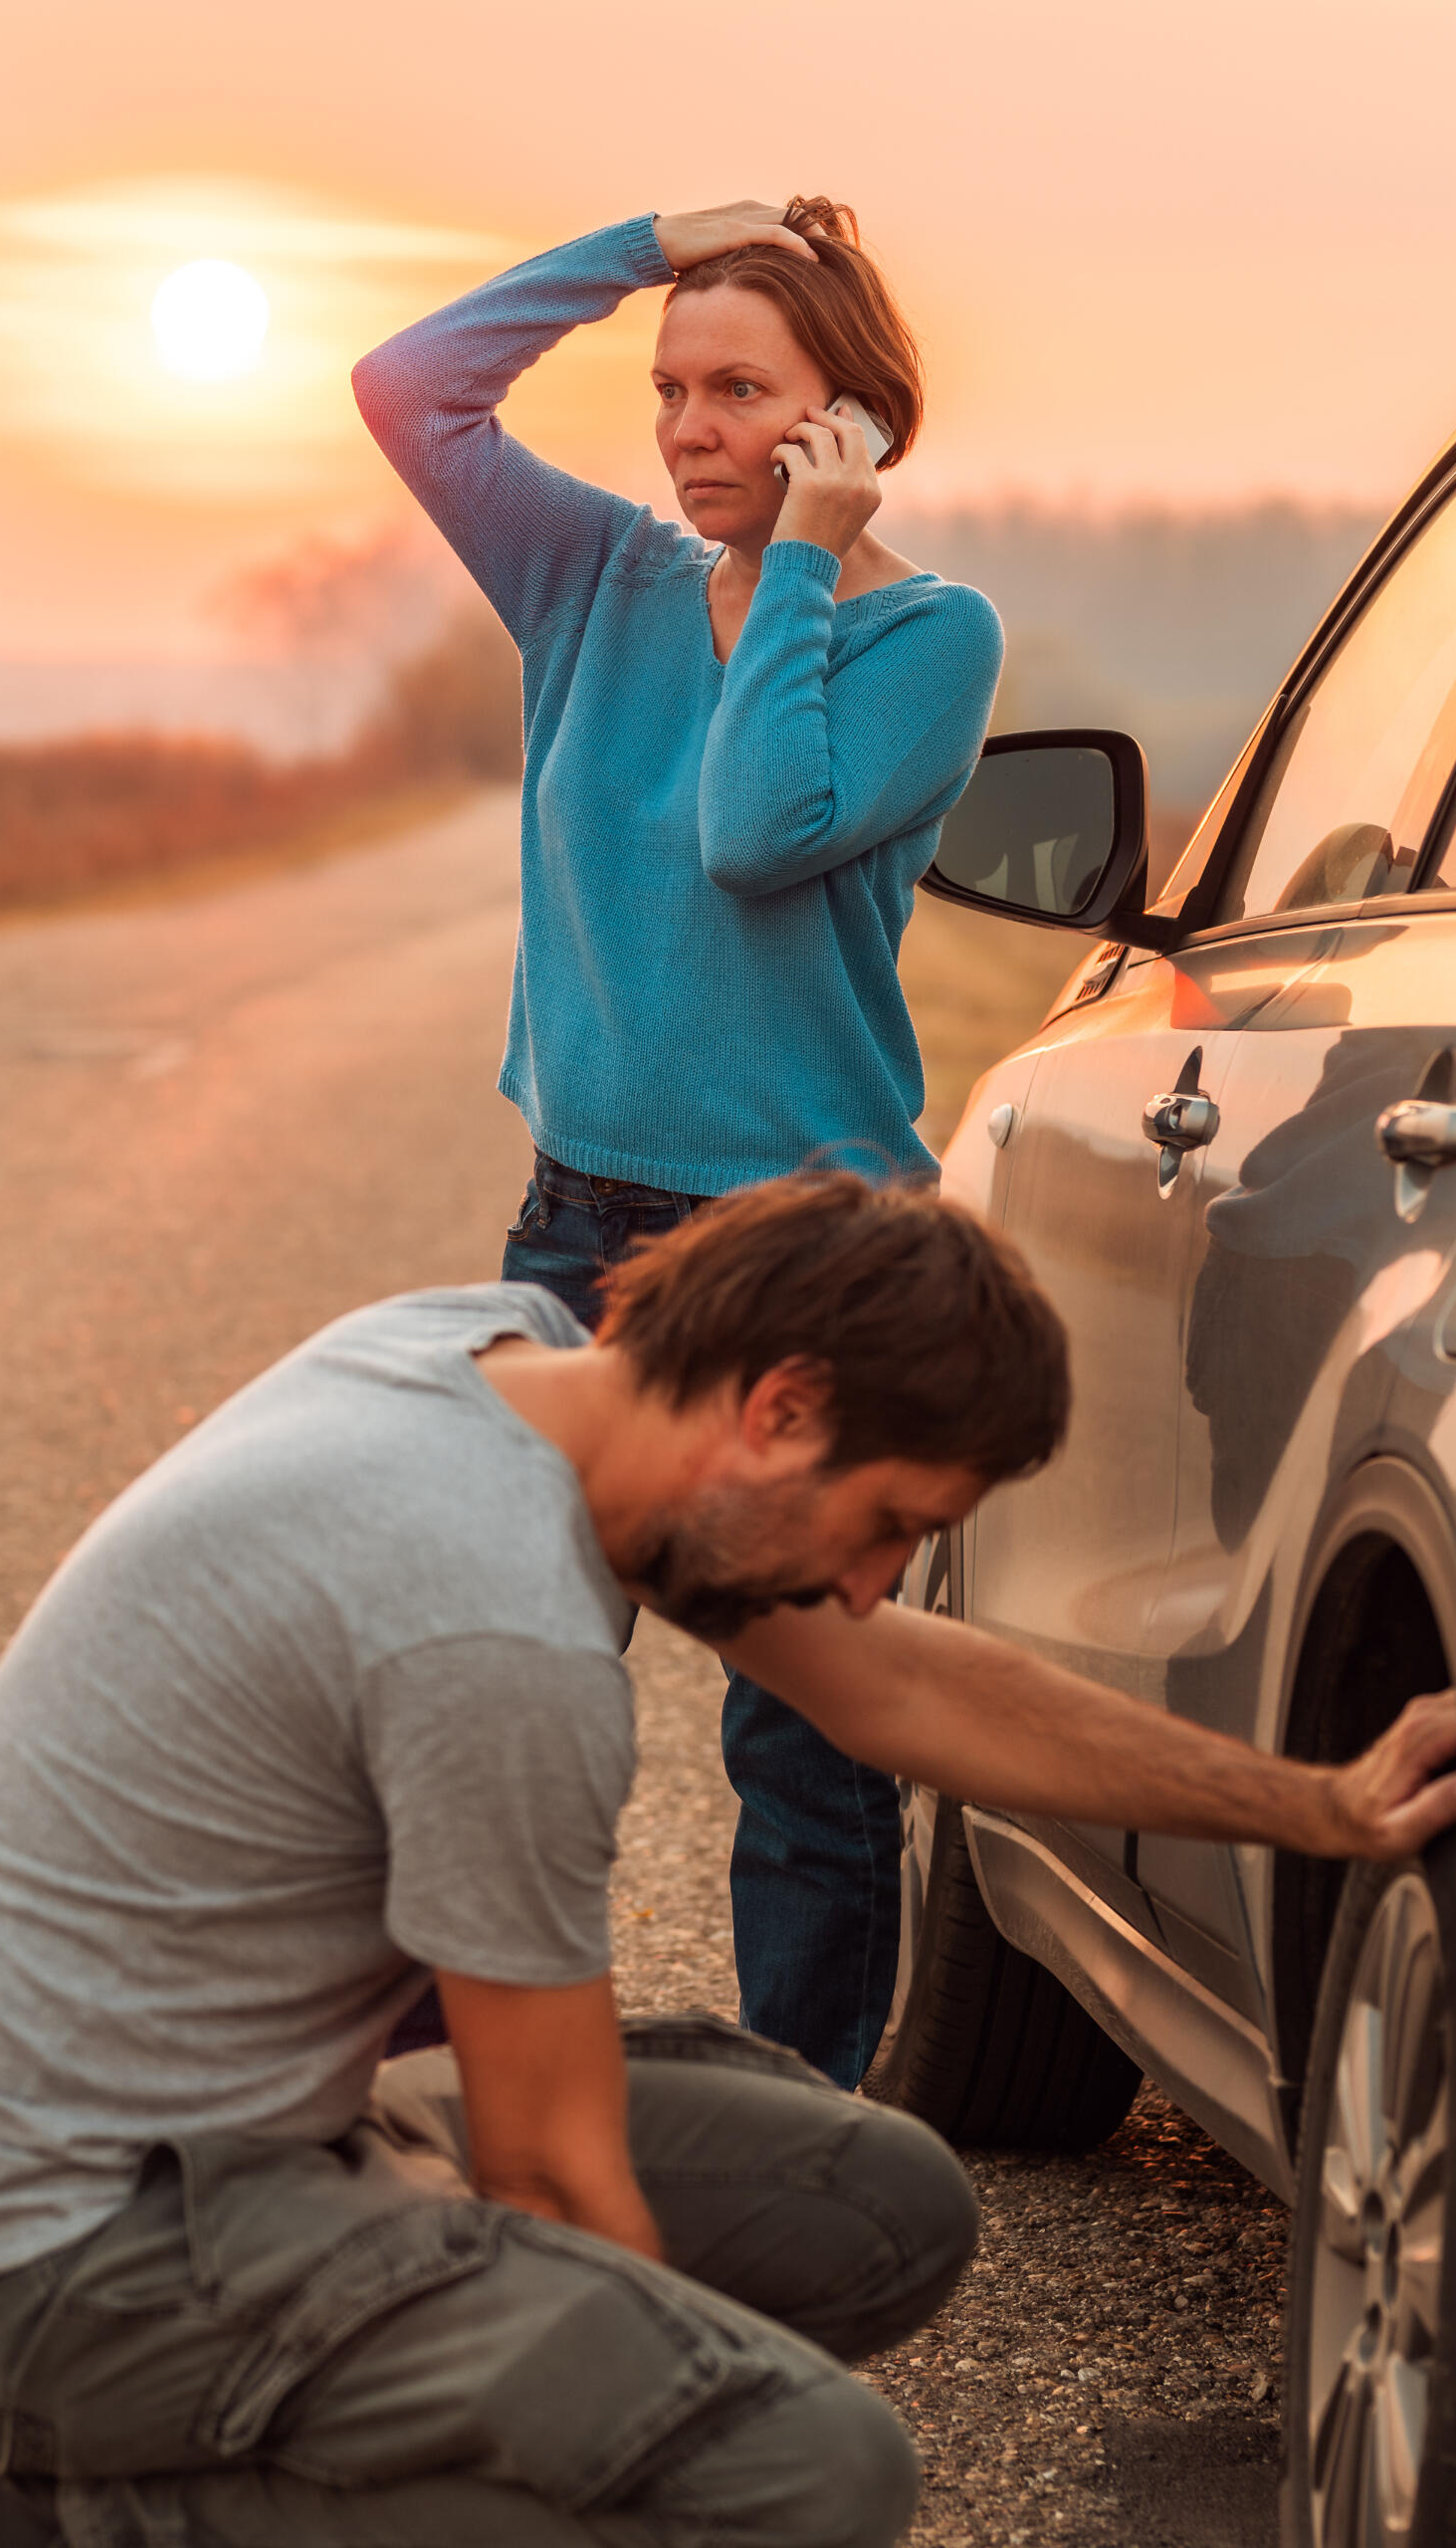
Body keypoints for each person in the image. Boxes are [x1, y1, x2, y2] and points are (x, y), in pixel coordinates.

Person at [0, 1174, 1456, 2548]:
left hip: (235, 2136)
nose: (869, 1585)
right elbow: (552, 2179)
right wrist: (671, 2423)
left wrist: (1314, 1805)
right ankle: (107, 2521)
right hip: (56, 2256)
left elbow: (902, 1684)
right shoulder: (484, 1618)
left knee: (871, 2203)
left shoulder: (496, 1363)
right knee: (795, 2466)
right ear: (776, 1407)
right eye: (885, 1522)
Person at [353, 195, 1001, 2090]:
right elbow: (411, 388)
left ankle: (803, 2133)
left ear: (848, 422)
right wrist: (648, 243)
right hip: (584, 1233)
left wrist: (800, 558)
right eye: (671, 390)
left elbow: (753, 822)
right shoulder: (591, 581)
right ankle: (413, 2103)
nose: (691, 427)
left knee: (799, 1748)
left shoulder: (924, 638)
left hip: (806, 1250)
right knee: (481, 1684)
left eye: (744, 392)